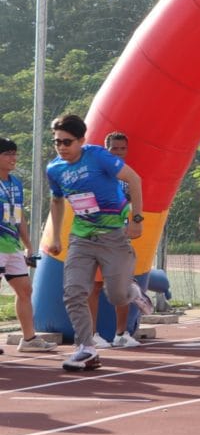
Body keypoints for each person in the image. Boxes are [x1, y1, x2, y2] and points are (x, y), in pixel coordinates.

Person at [45, 114, 153, 372]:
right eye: (57, 142)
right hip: (81, 238)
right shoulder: (54, 169)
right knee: (73, 293)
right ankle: (86, 348)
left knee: (116, 295)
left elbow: (135, 180)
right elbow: (57, 200)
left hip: (113, 236)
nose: (61, 147)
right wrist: (56, 236)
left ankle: (132, 290)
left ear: (82, 140)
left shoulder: (98, 156)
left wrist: (136, 220)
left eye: (67, 142)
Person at [0, 137, 56, 354]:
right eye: (7, 154)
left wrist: (28, 246)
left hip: (12, 246)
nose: (13, 158)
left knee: (25, 290)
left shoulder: (14, 183)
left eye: (14, 153)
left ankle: (29, 339)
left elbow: (17, 215)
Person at [87, 132, 138, 349]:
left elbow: (134, 205)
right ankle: (91, 334)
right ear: (105, 149)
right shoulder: (94, 176)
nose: (117, 152)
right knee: (95, 286)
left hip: (120, 238)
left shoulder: (128, 178)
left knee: (122, 284)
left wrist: (134, 223)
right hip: (96, 236)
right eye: (113, 149)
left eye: (121, 149)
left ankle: (121, 334)